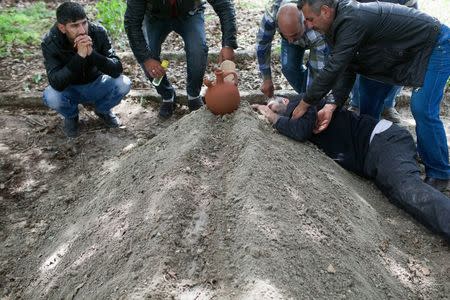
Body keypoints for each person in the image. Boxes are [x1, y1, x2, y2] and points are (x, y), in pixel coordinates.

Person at [292, 0, 450, 192]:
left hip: (435, 44)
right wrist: (331, 104)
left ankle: (439, 172)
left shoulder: (352, 19)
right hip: (393, 55)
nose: (307, 25)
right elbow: (345, 68)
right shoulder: (332, 27)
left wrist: (305, 103)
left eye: (309, 19)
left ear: (325, 11)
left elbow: (333, 69)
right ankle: (372, 155)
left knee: (422, 107)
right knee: (368, 102)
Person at [252, 96, 450, 241]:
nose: (272, 110)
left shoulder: (301, 102)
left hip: (383, 140)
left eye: (272, 105)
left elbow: (301, 131)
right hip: (377, 151)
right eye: (270, 109)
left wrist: (271, 116)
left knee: (407, 189)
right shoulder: (296, 114)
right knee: (399, 194)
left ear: (285, 100)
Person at [124, 0, 237, 118]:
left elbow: (224, 5)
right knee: (147, 53)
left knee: (197, 49)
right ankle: (167, 95)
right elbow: (132, 22)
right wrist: (146, 59)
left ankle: (193, 95)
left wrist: (228, 44)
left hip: (190, 14)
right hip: (154, 16)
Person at [42, 2, 131, 138]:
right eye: (74, 26)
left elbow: (116, 69)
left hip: (96, 83)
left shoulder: (98, 32)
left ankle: (102, 110)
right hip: (70, 89)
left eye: (84, 23)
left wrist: (92, 54)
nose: (82, 30)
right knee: (51, 96)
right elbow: (56, 82)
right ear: (62, 27)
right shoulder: (50, 42)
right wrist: (79, 56)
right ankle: (72, 116)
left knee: (124, 83)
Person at [347, 0, 419, 123]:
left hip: (396, 33)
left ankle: (388, 105)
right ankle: (356, 103)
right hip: (366, 30)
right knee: (357, 62)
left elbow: (413, 13)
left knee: (402, 61)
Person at [256, 0, 328, 97]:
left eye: (294, 35)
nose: (291, 41)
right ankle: (304, 97)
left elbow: (317, 71)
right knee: (289, 69)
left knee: (319, 76)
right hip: (293, 30)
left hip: (317, 35)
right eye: (286, 35)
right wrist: (266, 78)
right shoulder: (271, 15)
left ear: (304, 22)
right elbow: (262, 45)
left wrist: (309, 101)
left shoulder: (316, 28)